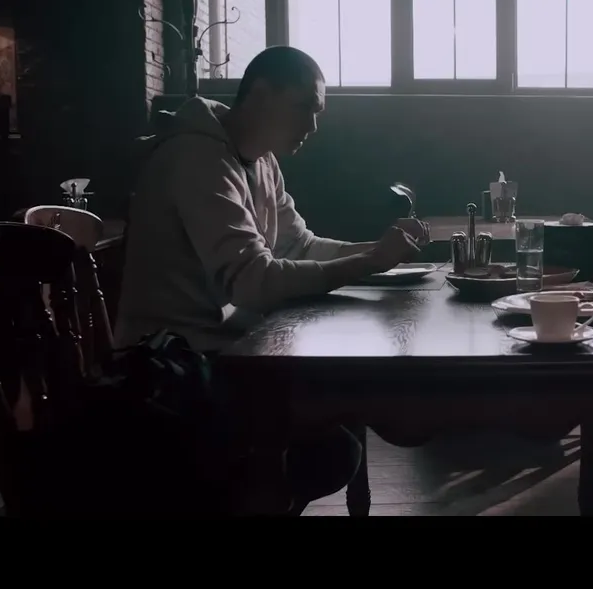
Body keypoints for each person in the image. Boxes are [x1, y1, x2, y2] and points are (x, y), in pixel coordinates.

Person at [116, 45, 425, 513]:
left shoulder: (261, 161)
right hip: (171, 371)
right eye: (305, 107)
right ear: (260, 94)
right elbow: (252, 282)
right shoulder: (197, 157)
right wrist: (370, 263)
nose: (313, 126)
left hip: (229, 352)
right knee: (330, 448)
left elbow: (300, 245)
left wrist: (380, 251)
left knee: (335, 443)